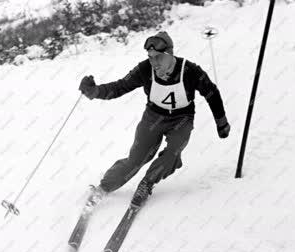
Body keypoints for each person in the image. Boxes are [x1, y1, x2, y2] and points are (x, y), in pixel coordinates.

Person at [78, 31, 231, 207]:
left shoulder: (189, 70)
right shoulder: (145, 69)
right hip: (153, 117)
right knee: (137, 159)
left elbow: (211, 92)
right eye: (150, 57)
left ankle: (147, 184)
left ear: (170, 54)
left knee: (172, 154)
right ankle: (104, 187)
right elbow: (121, 86)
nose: (154, 62)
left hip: (181, 120)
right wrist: (95, 91)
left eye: (158, 57)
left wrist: (221, 122)